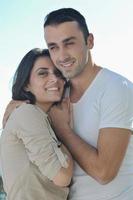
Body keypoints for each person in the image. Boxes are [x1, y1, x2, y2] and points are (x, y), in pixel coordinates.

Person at [2, 8, 133, 200]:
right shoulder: (59, 93)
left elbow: (104, 172)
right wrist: (15, 103)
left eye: (69, 43)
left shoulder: (116, 88)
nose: (62, 56)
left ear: (90, 41)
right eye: (53, 46)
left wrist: (63, 129)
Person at [0, 48, 73, 200]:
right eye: (43, 73)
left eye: (58, 73)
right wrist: (62, 129)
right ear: (26, 84)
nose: (54, 78)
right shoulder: (27, 113)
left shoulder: (37, 117)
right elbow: (62, 176)